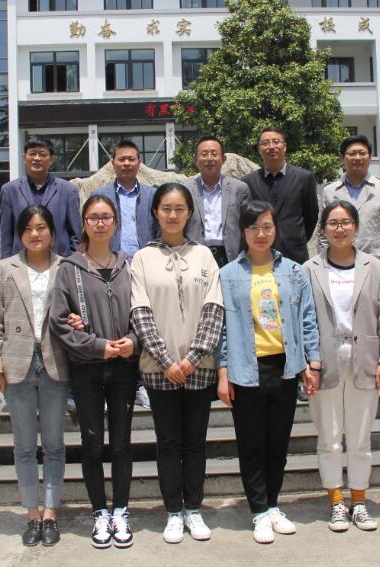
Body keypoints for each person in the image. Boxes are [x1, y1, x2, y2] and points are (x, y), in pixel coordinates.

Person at [217, 200, 321, 544]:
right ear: (242, 232)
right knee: (251, 444)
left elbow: (307, 320)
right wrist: (223, 372)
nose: (260, 234)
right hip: (246, 369)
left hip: (285, 367)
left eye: (266, 227)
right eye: (253, 228)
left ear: (275, 229)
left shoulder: (294, 271)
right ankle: (259, 511)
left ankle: (273, 505)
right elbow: (222, 330)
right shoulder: (228, 274)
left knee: (278, 444)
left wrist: (312, 362)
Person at [129, 182, 224, 544]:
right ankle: (172, 510)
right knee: (168, 442)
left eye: (179, 208)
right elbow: (140, 312)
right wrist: (168, 361)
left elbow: (214, 309)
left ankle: (194, 509)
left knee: (195, 442)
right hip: (159, 370)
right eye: (166, 208)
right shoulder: (142, 258)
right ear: (155, 212)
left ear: (189, 213)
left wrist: (193, 357)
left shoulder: (204, 255)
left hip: (199, 368)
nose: (172, 214)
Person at [49, 194, 140, 549]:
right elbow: (60, 321)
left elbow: (143, 311)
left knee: (121, 443)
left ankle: (121, 510)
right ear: (84, 223)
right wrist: (98, 346)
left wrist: (134, 340)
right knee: (91, 442)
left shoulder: (129, 265)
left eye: (106, 217)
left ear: (116, 222)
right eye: (93, 217)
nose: (100, 223)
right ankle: (99, 511)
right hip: (87, 367)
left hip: (123, 367)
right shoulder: (69, 268)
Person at [304, 200, 380, 533]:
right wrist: (308, 363)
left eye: (345, 223)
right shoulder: (310, 268)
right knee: (329, 437)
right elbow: (305, 319)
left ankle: (359, 501)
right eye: (332, 223)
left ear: (356, 227)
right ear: (323, 229)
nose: (339, 228)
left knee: (359, 438)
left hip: (364, 359)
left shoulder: (373, 266)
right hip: (324, 360)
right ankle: (336, 502)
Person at [0, 205, 69, 547]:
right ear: (20, 234)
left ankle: (50, 513)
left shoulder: (66, 267)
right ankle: (31, 514)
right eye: (28, 228)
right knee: (23, 446)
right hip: (16, 364)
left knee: (54, 444)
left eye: (41, 227)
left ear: (52, 231)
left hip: (55, 363)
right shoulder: (5, 268)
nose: (35, 234)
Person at [91, 140, 158, 409]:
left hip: (146, 266)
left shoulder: (152, 195)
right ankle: (114, 382)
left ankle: (143, 383)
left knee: (145, 321)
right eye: (121, 159)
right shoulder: (101, 195)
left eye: (131, 159)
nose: (127, 164)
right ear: (113, 163)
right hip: (112, 266)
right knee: (116, 322)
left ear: (139, 162)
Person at [321, 135, 380, 280]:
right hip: (337, 266)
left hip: (375, 265)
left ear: (369, 158)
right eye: (352, 153)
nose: (357, 157)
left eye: (362, 153)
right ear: (342, 158)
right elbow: (323, 233)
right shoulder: (330, 191)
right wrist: (323, 265)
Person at [241, 127, 319, 264]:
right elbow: (246, 218)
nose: (271, 146)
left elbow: (311, 216)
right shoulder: (249, 181)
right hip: (260, 253)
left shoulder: (304, 178)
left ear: (285, 146)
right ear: (259, 149)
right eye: (265, 143)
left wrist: (296, 238)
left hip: (294, 253)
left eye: (276, 142)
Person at [0, 137, 82, 259]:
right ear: (24, 157)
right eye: (32, 153)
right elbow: (6, 235)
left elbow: (76, 235)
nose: (37, 158)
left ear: (52, 159)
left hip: (59, 262)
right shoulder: (10, 190)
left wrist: (72, 263)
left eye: (42, 154)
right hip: (21, 263)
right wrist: (6, 264)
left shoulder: (68, 190)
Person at [185, 135, 251, 267]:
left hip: (231, 257)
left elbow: (248, 225)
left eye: (214, 154)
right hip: (195, 256)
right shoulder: (185, 190)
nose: (209, 158)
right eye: (204, 154)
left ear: (223, 159)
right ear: (196, 160)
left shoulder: (239, 189)